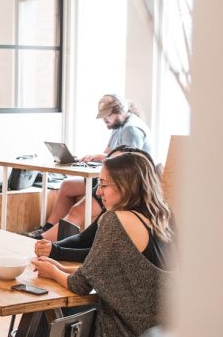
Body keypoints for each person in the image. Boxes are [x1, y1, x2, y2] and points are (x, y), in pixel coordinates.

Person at [31, 152, 173, 337]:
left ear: (126, 186)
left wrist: (52, 271)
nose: (98, 192)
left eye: (104, 185)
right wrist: (60, 268)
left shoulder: (115, 220)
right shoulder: (161, 218)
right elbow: (112, 271)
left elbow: (79, 285)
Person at [29, 94, 151, 240]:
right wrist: (92, 158)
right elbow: (109, 153)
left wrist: (102, 157)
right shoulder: (118, 126)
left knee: (77, 210)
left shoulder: (131, 129)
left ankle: (44, 241)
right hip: (113, 178)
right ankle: (48, 228)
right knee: (67, 185)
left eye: (107, 116)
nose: (104, 120)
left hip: (123, 184)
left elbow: (130, 164)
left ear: (120, 111)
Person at [33, 146, 159, 263]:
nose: (98, 192)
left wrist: (56, 251)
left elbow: (99, 258)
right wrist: (53, 246)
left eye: (104, 184)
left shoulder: (127, 219)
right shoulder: (118, 208)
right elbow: (85, 239)